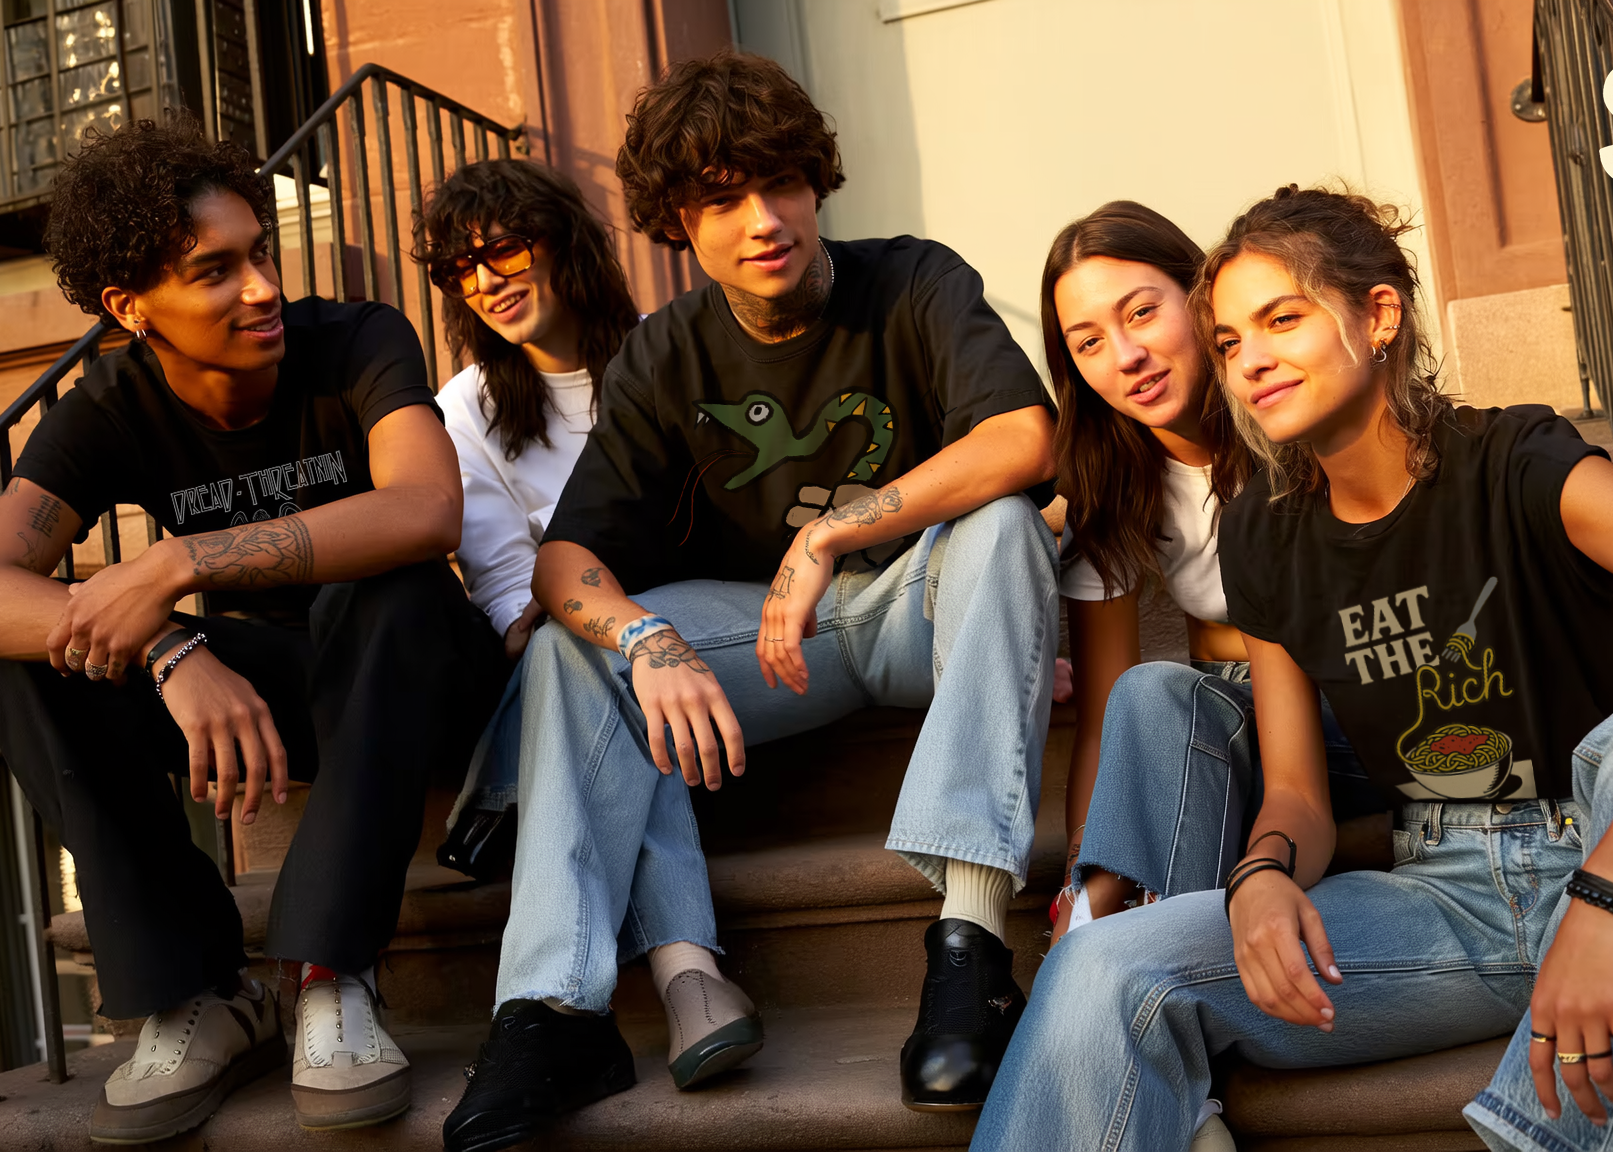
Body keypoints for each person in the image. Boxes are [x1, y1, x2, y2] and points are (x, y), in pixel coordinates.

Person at [972, 183, 1613, 1152]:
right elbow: (1296, 790)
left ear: (1377, 315)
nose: (1249, 358)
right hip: (1438, 897)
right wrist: (1258, 877)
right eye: (1226, 341)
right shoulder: (1264, 534)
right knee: (1105, 967)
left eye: (1279, 320)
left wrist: (1603, 895)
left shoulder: (1516, 464)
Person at [440, 51, 1060, 1151]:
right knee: (562, 651)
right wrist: (646, 639)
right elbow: (565, 560)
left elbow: (1021, 438)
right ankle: (552, 1009)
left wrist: (833, 529)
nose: (761, 220)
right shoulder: (665, 356)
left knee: (1004, 523)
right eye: (720, 199)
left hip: (926, 601)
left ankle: (969, 947)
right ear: (678, 221)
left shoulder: (914, 279)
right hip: (786, 646)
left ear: (816, 182)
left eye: (778, 184)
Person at [0, 114, 505, 1143]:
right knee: (3, 661)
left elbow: (425, 508)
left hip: (419, 684)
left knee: (390, 581)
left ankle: (328, 973)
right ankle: (200, 992)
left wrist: (175, 564)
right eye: (215, 270)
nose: (261, 289)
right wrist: (167, 644)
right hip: (263, 692)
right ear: (130, 307)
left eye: (261, 256)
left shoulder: (356, 340)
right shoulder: (109, 407)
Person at [417, 157, 768, 1092]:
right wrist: (617, 625)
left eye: (503, 247)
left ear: (564, 240)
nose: (486, 278)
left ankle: (625, 987)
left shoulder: (672, 351)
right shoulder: (468, 413)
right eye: (461, 267)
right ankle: (688, 973)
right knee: (574, 648)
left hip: (722, 657)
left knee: (585, 644)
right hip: (597, 674)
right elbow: (508, 601)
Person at [1040, 201, 1387, 948]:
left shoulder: (1300, 413)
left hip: (1364, 710)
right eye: (1089, 342)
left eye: (1142, 312)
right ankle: (1117, 932)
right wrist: (1082, 865)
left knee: (1168, 704)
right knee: (1150, 697)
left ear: (1200, 301)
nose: (1126, 355)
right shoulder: (1114, 487)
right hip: (1236, 721)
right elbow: (1107, 715)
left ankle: (1155, 956)